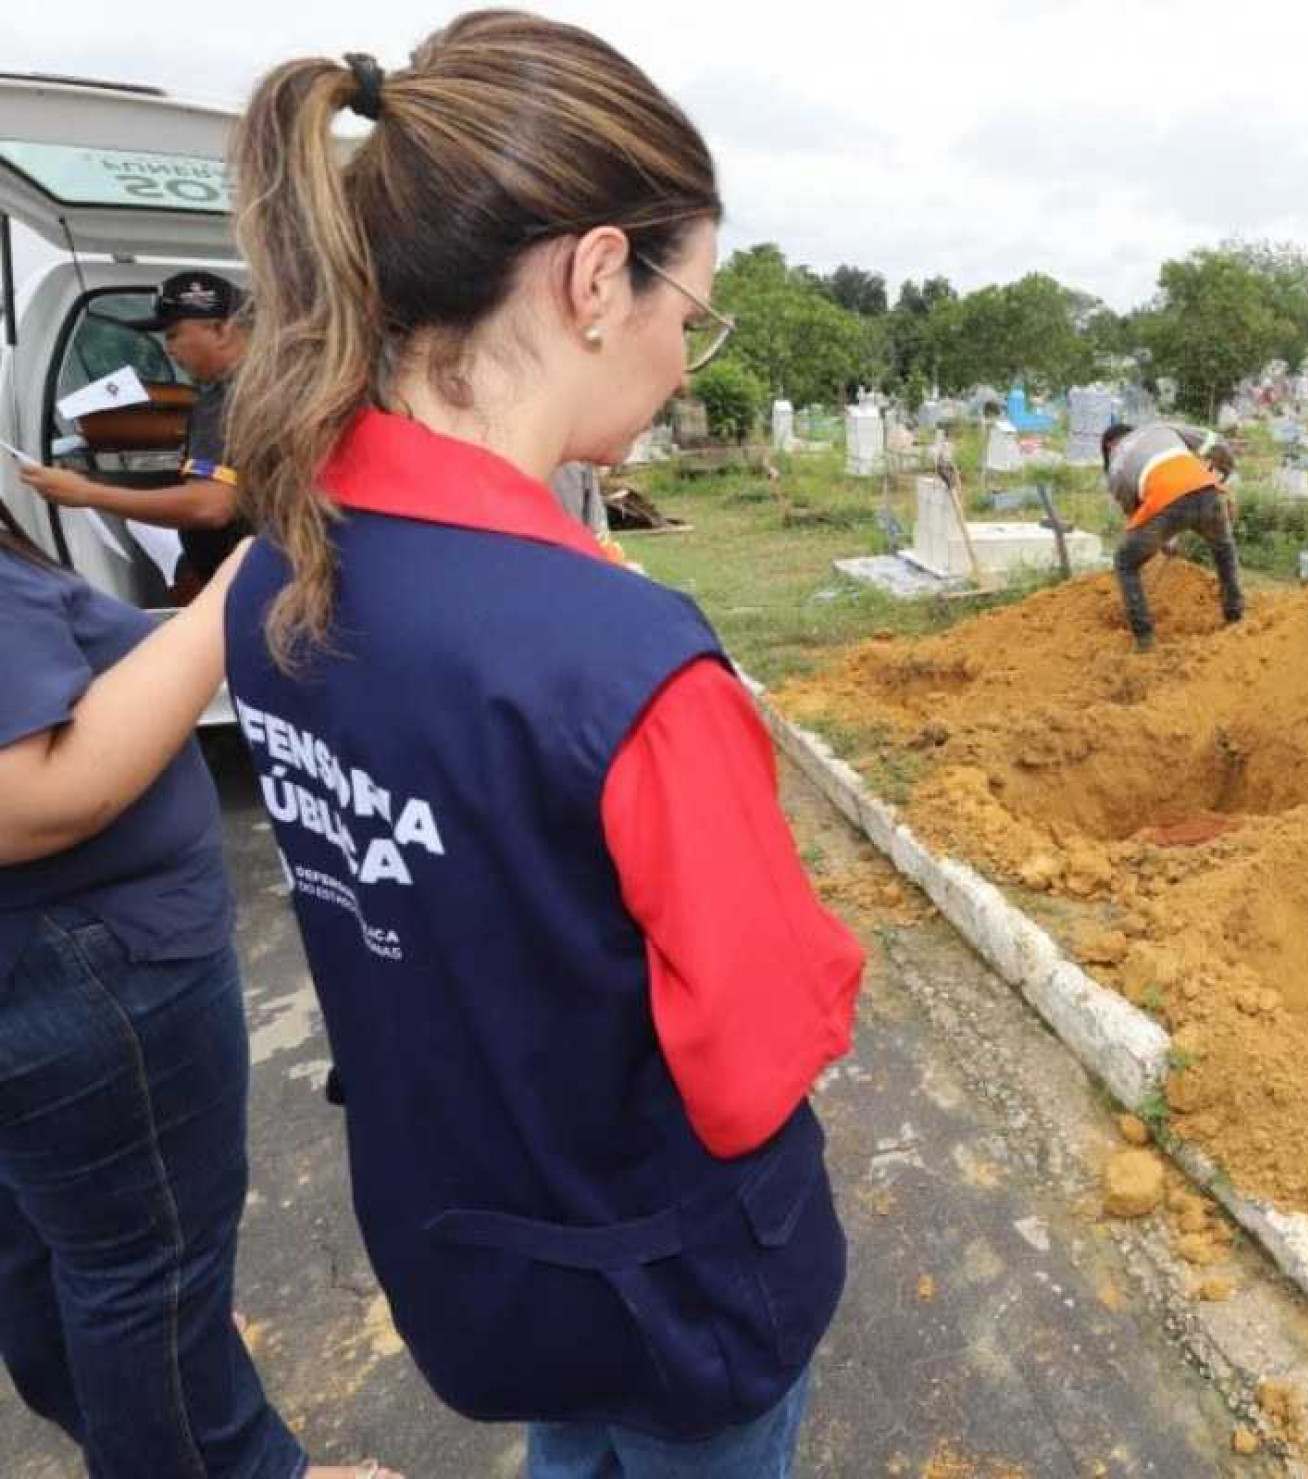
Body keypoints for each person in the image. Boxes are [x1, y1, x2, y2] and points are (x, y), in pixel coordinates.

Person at [221, 16, 863, 1477]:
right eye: (688, 309)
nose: (682, 353)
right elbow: (752, 1061)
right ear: (593, 277)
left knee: (568, 1440)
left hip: (474, 1252)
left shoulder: (279, 573)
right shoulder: (623, 666)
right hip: (672, 1291)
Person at [0, 515, 394, 1478]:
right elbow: (32, 796)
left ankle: (132, 1420)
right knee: (152, 1276)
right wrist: (236, 586)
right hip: (93, 969)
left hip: (50, 964)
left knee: (66, 1255)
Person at [21, 271, 253, 600]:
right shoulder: (235, 391)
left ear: (220, 329)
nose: (169, 350)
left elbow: (211, 507)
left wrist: (87, 494)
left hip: (251, 591)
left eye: (174, 335)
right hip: (236, 580)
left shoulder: (237, 400)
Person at [1101, 420, 1244, 652]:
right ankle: (1235, 616)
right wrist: (1222, 476)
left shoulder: (1116, 468)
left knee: (1125, 562)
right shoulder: (1158, 427)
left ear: (1109, 447)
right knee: (1223, 548)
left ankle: (1144, 638)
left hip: (1165, 502)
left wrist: (1164, 541)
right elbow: (1215, 443)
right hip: (1207, 490)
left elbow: (1138, 516)